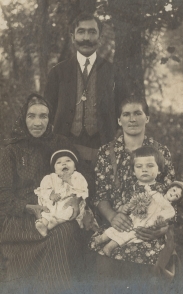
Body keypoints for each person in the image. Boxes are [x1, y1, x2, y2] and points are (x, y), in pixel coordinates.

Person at [88, 95, 176, 293]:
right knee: (106, 263)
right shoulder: (106, 152)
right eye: (126, 114)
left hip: (152, 226)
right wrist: (112, 216)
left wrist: (161, 228)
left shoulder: (160, 151)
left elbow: (172, 196)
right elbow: (100, 195)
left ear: (147, 118)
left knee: (151, 271)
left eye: (138, 113)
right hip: (117, 224)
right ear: (119, 120)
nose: (132, 119)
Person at [0, 93, 86, 294]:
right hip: (20, 217)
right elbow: (2, 195)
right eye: (32, 116)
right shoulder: (10, 151)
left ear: (50, 119)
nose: (38, 122)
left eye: (44, 116)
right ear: (23, 118)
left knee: (64, 234)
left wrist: (75, 197)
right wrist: (27, 208)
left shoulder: (60, 143)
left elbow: (79, 175)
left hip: (55, 213)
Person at [43, 12, 127, 162]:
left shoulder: (114, 72)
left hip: (103, 148)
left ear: (100, 38)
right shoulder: (58, 72)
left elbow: (123, 110)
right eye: (81, 32)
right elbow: (47, 112)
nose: (86, 38)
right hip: (65, 148)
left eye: (92, 32)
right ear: (73, 37)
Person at [94, 146, 183, 257]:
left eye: (150, 166)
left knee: (129, 235)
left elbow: (166, 215)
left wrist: (161, 224)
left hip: (146, 224)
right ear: (134, 171)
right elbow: (122, 205)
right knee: (117, 228)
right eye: (139, 166)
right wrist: (123, 208)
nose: (144, 170)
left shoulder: (160, 189)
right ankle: (101, 239)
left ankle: (109, 247)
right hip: (130, 219)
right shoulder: (130, 187)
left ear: (159, 171)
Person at [34, 149, 88, 237]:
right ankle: (42, 224)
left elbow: (82, 190)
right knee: (47, 211)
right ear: (54, 169)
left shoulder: (77, 177)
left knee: (68, 211)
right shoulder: (50, 178)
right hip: (54, 202)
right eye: (59, 162)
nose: (64, 164)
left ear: (74, 167)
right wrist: (51, 194)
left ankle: (54, 223)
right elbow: (44, 188)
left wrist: (69, 181)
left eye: (68, 161)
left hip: (69, 202)